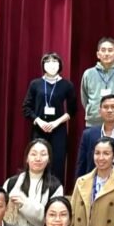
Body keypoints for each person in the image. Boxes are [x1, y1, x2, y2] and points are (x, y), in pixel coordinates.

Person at [22, 52, 78, 180]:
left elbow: (72, 110)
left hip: (58, 129)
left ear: (60, 65)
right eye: (48, 62)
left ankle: (56, 192)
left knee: (58, 161)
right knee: (38, 160)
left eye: (55, 62)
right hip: (39, 128)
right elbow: (26, 107)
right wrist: (38, 121)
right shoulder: (35, 84)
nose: (51, 65)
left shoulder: (66, 85)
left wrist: (56, 123)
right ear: (43, 65)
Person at [4, 138, 63, 226]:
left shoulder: (55, 187)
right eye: (33, 154)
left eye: (43, 154)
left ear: (49, 159)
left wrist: (25, 204)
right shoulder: (11, 183)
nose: (38, 158)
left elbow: (53, 219)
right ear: (27, 158)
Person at [79, 37, 114, 127]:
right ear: (98, 54)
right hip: (93, 122)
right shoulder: (88, 73)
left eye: (110, 50)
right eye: (103, 50)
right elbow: (84, 98)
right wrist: (93, 110)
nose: (106, 53)